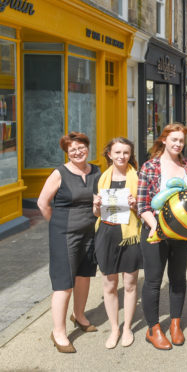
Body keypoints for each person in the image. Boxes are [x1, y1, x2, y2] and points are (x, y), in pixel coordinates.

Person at [137, 123, 187, 350]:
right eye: (173, 140)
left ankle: (175, 323)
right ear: (163, 140)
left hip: (182, 234)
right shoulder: (150, 167)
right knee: (153, 281)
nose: (177, 144)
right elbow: (143, 205)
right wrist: (156, 228)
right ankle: (153, 328)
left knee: (178, 278)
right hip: (155, 231)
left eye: (181, 141)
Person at [37, 132, 101, 353]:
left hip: (90, 233)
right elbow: (43, 203)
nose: (77, 151)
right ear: (67, 152)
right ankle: (58, 331)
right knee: (64, 284)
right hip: (64, 234)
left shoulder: (96, 171)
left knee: (84, 276)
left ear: (87, 147)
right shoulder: (60, 173)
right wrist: (57, 226)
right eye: (72, 149)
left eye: (81, 147)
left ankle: (79, 315)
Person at [93, 137, 142, 349]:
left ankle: (128, 327)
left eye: (126, 153)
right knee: (109, 284)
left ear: (130, 155)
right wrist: (95, 206)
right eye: (118, 152)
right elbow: (97, 214)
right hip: (106, 234)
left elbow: (145, 213)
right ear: (110, 154)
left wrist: (135, 205)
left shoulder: (138, 178)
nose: (122, 157)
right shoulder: (102, 178)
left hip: (130, 236)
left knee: (130, 284)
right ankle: (114, 328)